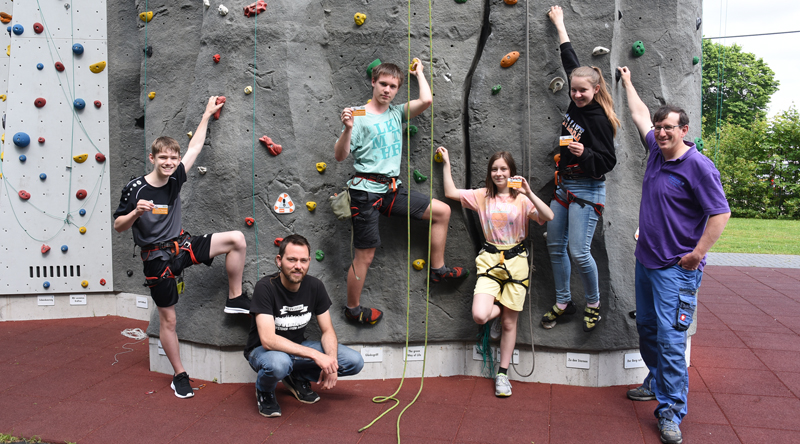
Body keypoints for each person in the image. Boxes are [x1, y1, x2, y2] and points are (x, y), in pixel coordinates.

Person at [618, 66, 730, 444]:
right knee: (648, 330)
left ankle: (670, 413)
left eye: (669, 127)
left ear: (684, 130)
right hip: (646, 261)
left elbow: (721, 212)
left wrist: (698, 254)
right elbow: (637, 114)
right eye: (659, 126)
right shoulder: (655, 150)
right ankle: (655, 379)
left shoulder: (698, 166)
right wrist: (629, 83)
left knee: (670, 339)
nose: (661, 132)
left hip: (675, 269)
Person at [113, 96, 249, 399]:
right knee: (169, 319)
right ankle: (180, 374)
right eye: (163, 158)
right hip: (156, 259)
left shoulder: (175, 178)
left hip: (181, 246)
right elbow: (118, 226)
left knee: (237, 239)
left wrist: (206, 114)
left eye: (172, 159)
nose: (169, 163)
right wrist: (135, 213)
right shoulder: (135, 189)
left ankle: (236, 297)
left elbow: (195, 148)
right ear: (152, 158)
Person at [334, 61, 467, 326]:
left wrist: (419, 74)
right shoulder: (358, 115)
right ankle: (352, 309)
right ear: (373, 82)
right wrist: (348, 128)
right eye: (383, 84)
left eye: (393, 86)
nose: (387, 90)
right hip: (365, 193)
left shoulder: (397, 113)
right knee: (365, 256)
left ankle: (438, 270)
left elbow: (426, 100)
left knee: (442, 211)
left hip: (393, 189)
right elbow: (340, 156)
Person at [438, 147, 553, 397]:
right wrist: (446, 162)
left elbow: (548, 216)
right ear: (489, 173)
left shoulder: (522, 199)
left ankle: (502, 374)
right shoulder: (482, 196)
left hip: (516, 262)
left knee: (510, 324)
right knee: (480, 315)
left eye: (503, 169)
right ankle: (500, 305)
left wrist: (530, 193)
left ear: (511, 171)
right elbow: (450, 192)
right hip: (490, 260)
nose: (499, 173)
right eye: (494, 169)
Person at [541, 6, 621, 332]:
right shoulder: (577, 95)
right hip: (564, 186)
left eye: (582, 91)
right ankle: (564, 302)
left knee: (578, 251)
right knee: (554, 245)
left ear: (596, 90)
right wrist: (560, 24)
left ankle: (593, 302)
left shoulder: (598, 119)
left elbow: (608, 162)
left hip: (587, 188)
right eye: (574, 90)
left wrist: (584, 151)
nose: (576, 95)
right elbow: (570, 59)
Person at [244, 235, 364, 417]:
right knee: (279, 364)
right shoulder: (265, 287)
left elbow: (327, 330)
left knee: (354, 361)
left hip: (296, 350)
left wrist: (330, 362)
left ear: (309, 261)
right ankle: (264, 391)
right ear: (279, 260)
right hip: (263, 351)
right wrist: (317, 356)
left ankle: (296, 377)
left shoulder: (315, 286)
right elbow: (268, 340)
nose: (298, 266)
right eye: (291, 260)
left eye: (303, 260)